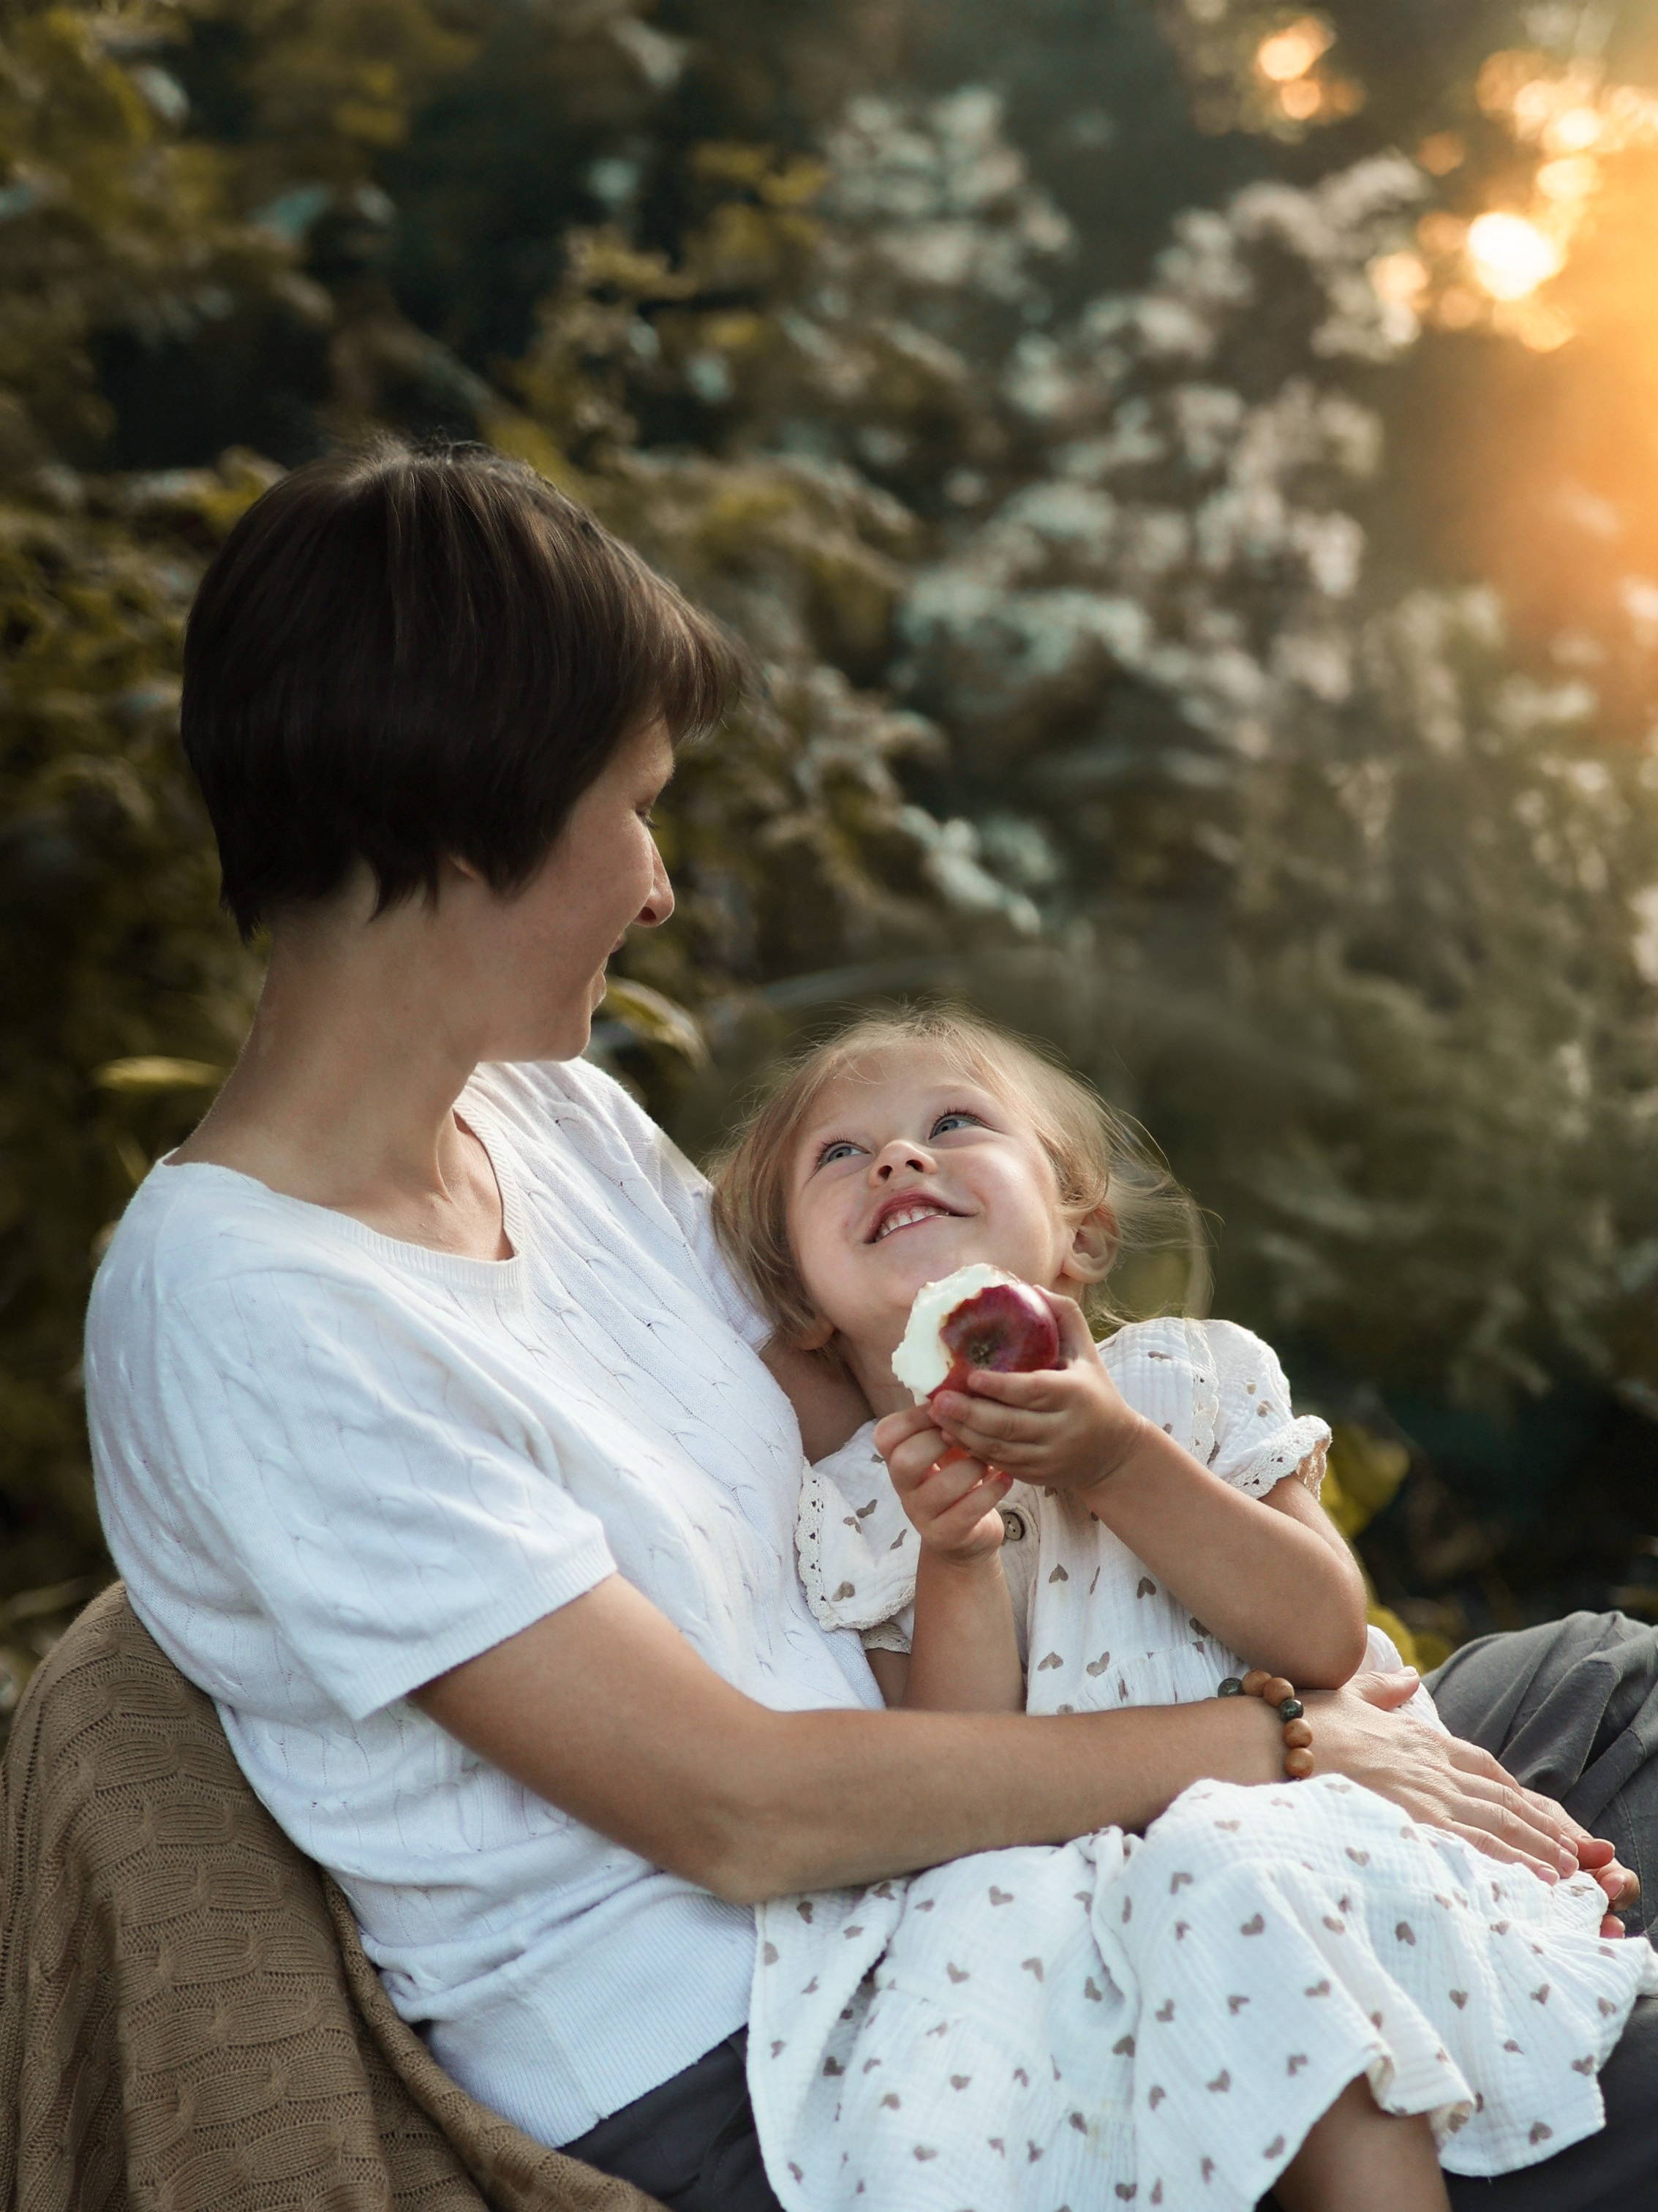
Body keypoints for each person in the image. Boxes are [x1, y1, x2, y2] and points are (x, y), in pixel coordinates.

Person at [80, 440, 1655, 2212]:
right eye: (636, 807)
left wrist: (1245, 1607)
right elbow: (741, 1812)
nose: (656, 887)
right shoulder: (253, 1314)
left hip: (990, 1825)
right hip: (786, 2044)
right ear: (472, 824)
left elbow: (895, 1354)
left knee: (1605, 1698)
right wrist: (1284, 1749)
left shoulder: (548, 1123)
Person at [707, 1007, 1658, 2211]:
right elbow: (952, 1771)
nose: (899, 1158)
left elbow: (1317, 1630)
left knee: (1242, 1870)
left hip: (1303, 1818)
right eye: (839, 1155)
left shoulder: (1187, 1376)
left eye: (953, 1124)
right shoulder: (863, 1506)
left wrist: (1119, 1464)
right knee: (1147, 1931)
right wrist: (955, 1557)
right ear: (803, 1304)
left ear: (1077, 1234)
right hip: (1058, 1881)